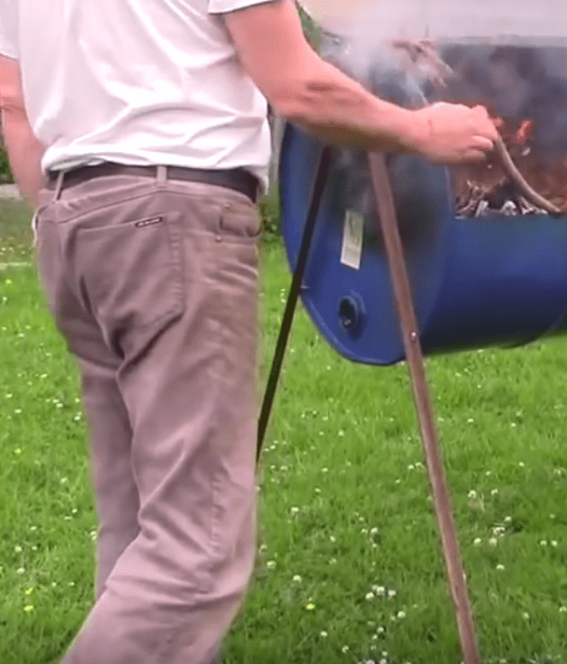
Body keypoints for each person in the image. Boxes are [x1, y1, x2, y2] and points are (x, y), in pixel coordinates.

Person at [0, 1, 499, 663]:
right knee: (197, 552)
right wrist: (423, 130)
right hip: (172, 225)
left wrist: (56, 219)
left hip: (74, 226)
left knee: (140, 524)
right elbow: (296, 86)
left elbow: (13, 98)